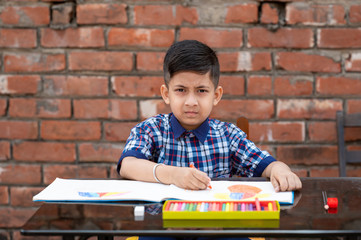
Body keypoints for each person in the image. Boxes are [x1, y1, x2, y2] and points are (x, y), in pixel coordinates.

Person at [117, 39, 302, 192]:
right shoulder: (151, 130)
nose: (191, 101)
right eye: (181, 90)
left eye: (201, 90)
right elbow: (128, 165)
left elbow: (265, 165)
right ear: (166, 94)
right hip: (163, 226)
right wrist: (172, 175)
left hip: (217, 226)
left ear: (216, 95)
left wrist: (280, 169)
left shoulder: (228, 136)